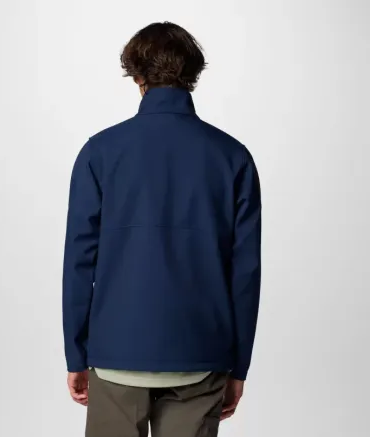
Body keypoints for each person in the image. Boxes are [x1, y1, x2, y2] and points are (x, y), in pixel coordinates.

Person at [62, 21, 262, 437]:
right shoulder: (232, 157)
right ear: (192, 74)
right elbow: (244, 274)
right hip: (201, 353)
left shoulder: (99, 152)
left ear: (136, 75)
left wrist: (76, 355)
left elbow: (79, 263)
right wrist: (238, 366)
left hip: (116, 353)